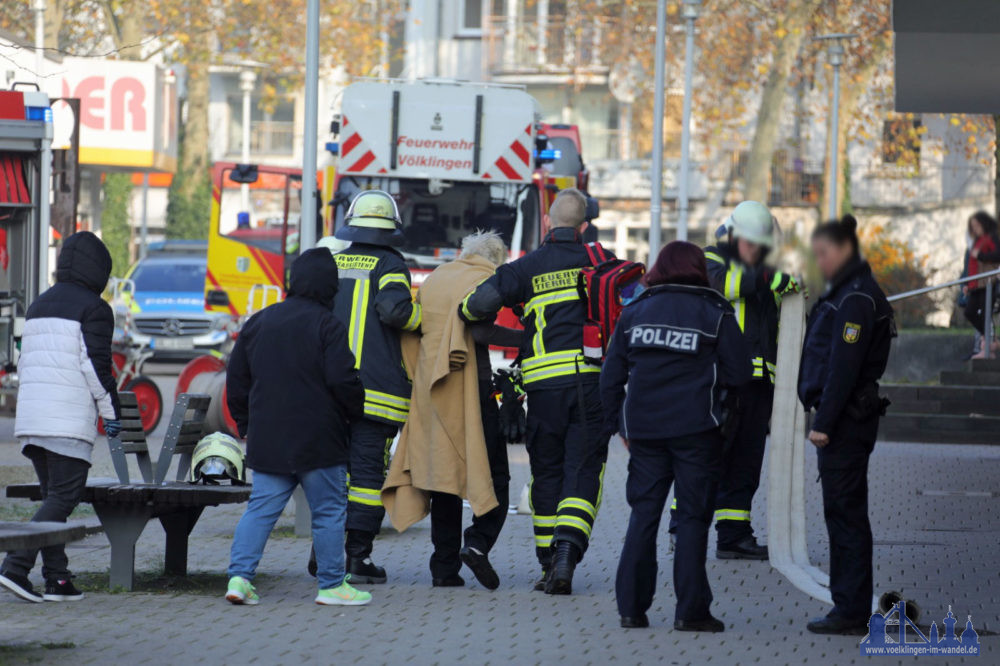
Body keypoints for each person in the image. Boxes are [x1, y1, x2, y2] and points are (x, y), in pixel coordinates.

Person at [459, 188, 611, 595]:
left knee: (546, 474)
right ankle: (567, 553)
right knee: (582, 470)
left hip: (543, 390)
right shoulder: (601, 263)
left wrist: (519, 329)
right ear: (584, 226)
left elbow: (474, 307)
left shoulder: (526, 268)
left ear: (548, 222)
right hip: (591, 386)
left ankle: (548, 564)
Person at [602, 241, 751, 632]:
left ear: (659, 269)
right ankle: (691, 612)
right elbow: (739, 373)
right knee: (692, 519)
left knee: (644, 517)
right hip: (697, 433)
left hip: (645, 434)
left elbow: (610, 377)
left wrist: (621, 427)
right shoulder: (715, 312)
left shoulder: (634, 311)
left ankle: (631, 610)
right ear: (698, 269)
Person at [225, 249, 370, 607]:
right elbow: (342, 379)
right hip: (319, 440)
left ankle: (239, 579)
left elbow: (236, 379)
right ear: (329, 287)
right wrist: (356, 410)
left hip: (269, 438)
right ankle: (332, 586)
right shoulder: (328, 325)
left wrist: (245, 422)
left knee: (260, 509)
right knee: (329, 512)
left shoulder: (259, 322)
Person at [382, 231, 520, 589]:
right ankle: (477, 542)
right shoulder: (486, 277)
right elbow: (477, 332)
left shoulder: (437, 277)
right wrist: (527, 337)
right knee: (496, 476)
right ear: (496, 258)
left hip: (430, 391)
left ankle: (443, 569)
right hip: (470, 394)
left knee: (443, 479)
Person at [0, 231, 121, 603]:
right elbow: (96, 367)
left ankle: (58, 579)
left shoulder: (38, 305)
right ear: (99, 269)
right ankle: (15, 567)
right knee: (63, 500)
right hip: (65, 421)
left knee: (54, 498)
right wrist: (112, 416)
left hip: (33, 421)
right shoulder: (95, 309)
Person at [675, 200, 799, 560]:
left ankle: (733, 535)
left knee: (745, 463)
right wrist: (765, 277)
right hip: (721, 380)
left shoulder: (767, 270)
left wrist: (790, 290)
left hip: (758, 382)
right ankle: (679, 528)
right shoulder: (710, 259)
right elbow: (720, 287)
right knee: (707, 457)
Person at [799, 215, 894, 635]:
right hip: (846, 417)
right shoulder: (849, 293)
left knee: (845, 516)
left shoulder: (857, 298)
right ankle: (849, 605)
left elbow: (843, 367)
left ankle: (850, 611)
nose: (819, 262)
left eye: (823, 254)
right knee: (843, 513)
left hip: (845, 421)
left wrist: (824, 421)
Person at [329, 190, 421, 584]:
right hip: (375, 393)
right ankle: (357, 559)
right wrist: (424, 318)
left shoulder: (331, 263)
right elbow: (395, 310)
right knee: (367, 477)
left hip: (330, 390)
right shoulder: (390, 263)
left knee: (332, 474)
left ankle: (325, 555)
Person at [962, 211, 1000, 359]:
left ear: (984, 223)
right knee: (970, 312)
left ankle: (988, 347)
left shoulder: (991, 238)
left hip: (987, 283)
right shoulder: (976, 241)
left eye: (977, 225)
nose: (975, 229)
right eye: (973, 226)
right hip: (975, 284)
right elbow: (971, 266)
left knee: (985, 315)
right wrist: (967, 284)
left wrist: (981, 255)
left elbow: (998, 255)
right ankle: (991, 340)